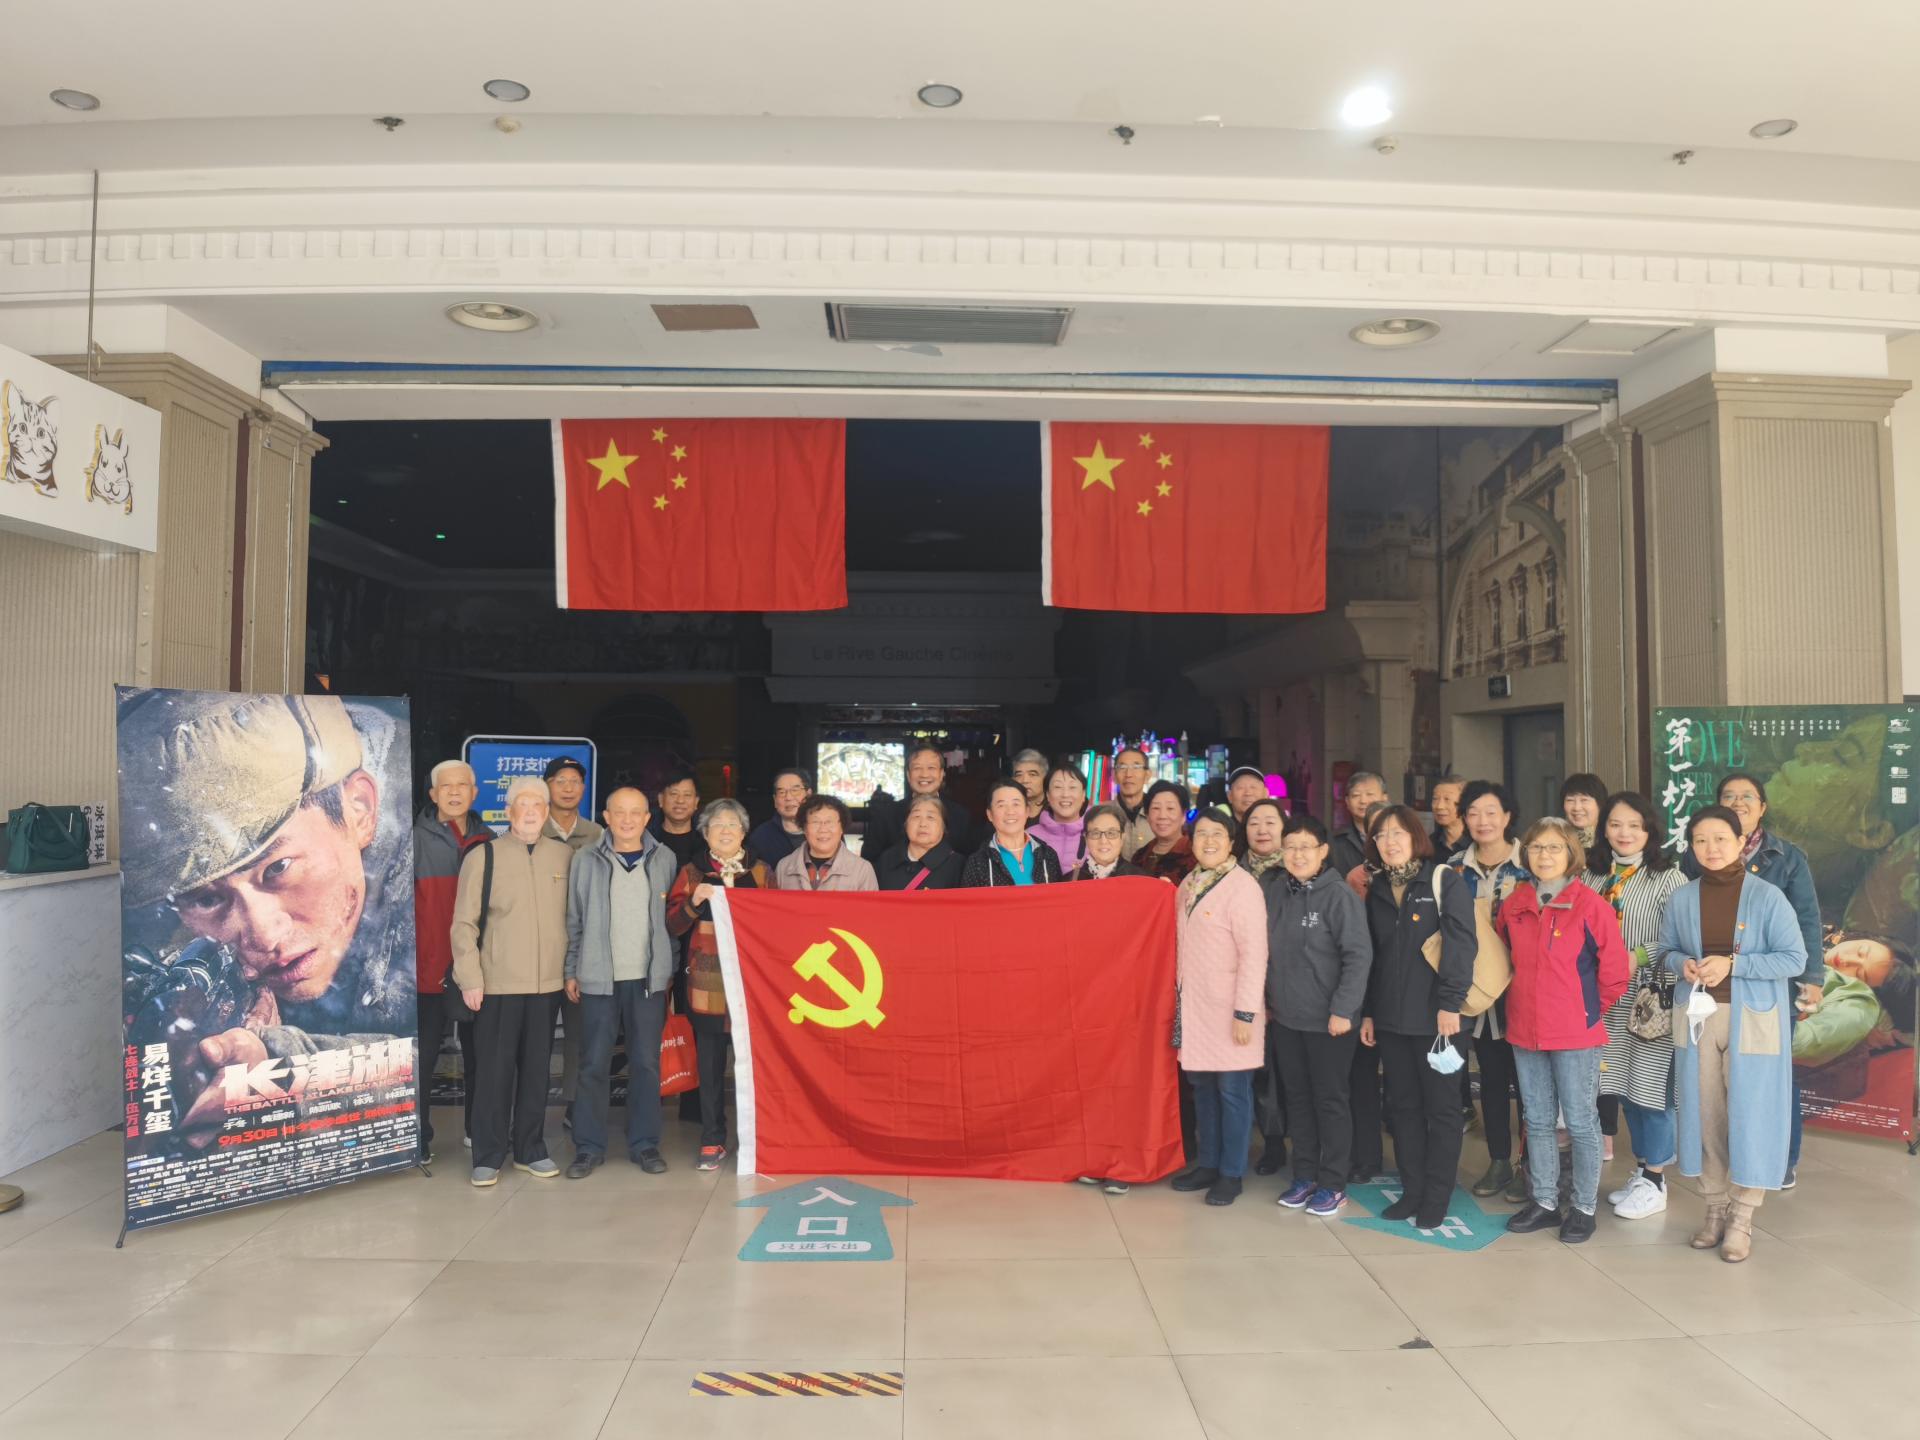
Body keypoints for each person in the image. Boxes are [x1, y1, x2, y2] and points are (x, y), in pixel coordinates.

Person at [116, 691, 418, 1149]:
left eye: (277, 869)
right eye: (208, 898)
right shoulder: (167, 908)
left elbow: (433, 1063)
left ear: (359, 810)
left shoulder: (422, 866)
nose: (263, 935)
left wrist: (280, 1063)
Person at [1662, 806, 1808, 1263]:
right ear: (1691, 845)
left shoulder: (1768, 897)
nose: (1711, 848)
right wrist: (1682, 964)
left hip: (1754, 1020)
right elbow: (1665, 951)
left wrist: (1734, 965)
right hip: (1697, 1018)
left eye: (1721, 838)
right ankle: (1714, 1209)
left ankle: (1741, 1218)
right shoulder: (1682, 897)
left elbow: (1794, 958)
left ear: (1741, 841)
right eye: (1701, 840)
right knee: (1706, 1116)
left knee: (1750, 1116)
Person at [1686, 771, 1824, 1188]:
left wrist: (1812, 976)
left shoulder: (1787, 857)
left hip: (1767, 987)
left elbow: (1807, 919)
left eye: (1748, 796)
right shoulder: (1695, 854)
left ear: (1762, 807)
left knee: (1772, 1079)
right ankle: (1728, 1165)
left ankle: (1781, 1160)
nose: (1738, 802)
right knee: (1714, 1087)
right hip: (1710, 995)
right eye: (1729, 795)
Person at [1496, 817, 1630, 1243]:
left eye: (1555, 847)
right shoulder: (1514, 904)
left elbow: (1615, 972)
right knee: (1536, 1119)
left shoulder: (1591, 905)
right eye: (1537, 847)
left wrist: (1587, 1011)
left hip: (1575, 1033)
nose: (1545, 855)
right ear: (1525, 854)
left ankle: (1584, 1208)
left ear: (1571, 854)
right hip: (1525, 1028)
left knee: (1581, 1121)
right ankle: (1545, 1202)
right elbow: (1503, 958)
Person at [450, 777, 573, 1187]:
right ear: (509, 811)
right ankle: (488, 1154)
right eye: (523, 804)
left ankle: (530, 1149)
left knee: (537, 1072)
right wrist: (470, 977)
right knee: (494, 1073)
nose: (531, 812)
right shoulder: (483, 856)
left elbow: (573, 919)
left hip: (547, 985)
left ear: (547, 811)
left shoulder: (564, 856)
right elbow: (463, 924)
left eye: (539, 804)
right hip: (497, 984)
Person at [1362, 805, 1477, 1229]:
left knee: (1442, 1110)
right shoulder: (1376, 888)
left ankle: (1437, 1196)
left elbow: (1461, 945)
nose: (1389, 842)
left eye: (1398, 833)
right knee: (1403, 1108)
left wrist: (1451, 1004)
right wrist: (1369, 1012)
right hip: (1392, 1021)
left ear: (1415, 837)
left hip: (1439, 1020)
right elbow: (1373, 957)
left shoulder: (1443, 881)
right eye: (1381, 835)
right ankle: (1412, 1191)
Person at [563, 786, 679, 1179]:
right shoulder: (586, 858)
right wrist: (572, 969)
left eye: (636, 813)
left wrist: (668, 970)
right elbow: (574, 919)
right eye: (619, 812)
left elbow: (672, 922)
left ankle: (645, 1144)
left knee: (646, 1063)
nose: (627, 820)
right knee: (593, 1063)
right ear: (606, 817)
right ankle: (588, 1147)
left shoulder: (665, 858)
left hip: (648, 979)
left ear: (647, 818)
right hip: (598, 978)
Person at [1589, 792, 1688, 1221]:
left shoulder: (1669, 877)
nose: (1624, 833)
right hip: (1604, 997)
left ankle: (1657, 1179)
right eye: (1615, 824)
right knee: (1622, 1085)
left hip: (1648, 999)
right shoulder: (1592, 875)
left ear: (1650, 831)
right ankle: (1644, 1171)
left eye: (1634, 825)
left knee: (1652, 1089)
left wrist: (1636, 956)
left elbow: (1680, 937)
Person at [1267, 814, 1373, 1216]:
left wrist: (1344, 1009)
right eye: (1290, 847)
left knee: (1330, 1101)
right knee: (1297, 1100)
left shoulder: (1338, 895)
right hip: (1286, 1018)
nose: (1297, 854)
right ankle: (1305, 1175)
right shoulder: (1278, 891)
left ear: (1323, 851)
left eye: (1305, 847)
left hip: (1330, 1022)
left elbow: (1358, 956)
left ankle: (1333, 1183)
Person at [1170, 807, 1269, 1206]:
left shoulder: (1243, 887)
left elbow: (1254, 955)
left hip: (1231, 1013)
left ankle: (1231, 1172)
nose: (1208, 841)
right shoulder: (1188, 884)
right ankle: (1208, 1164)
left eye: (1217, 834)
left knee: (1232, 1091)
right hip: (1195, 1010)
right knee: (1204, 1090)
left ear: (1231, 842)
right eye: (1201, 834)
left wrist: (1245, 1013)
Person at [666, 798, 772, 1171]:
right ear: (705, 833)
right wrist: (693, 903)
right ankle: (712, 1137)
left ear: (743, 832)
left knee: (755, 1066)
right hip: (707, 985)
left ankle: (756, 1138)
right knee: (710, 1066)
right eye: (717, 825)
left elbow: (778, 924)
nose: (725, 831)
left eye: (732, 824)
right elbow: (673, 925)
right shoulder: (692, 872)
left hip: (752, 985)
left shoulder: (761, 871)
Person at [1454, 779, 1533, 1204]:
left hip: (1526, 990)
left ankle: (1530, 1165)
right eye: (1473, 813)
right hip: (1480, 993)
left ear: (1507, 816)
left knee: (1531, 1084)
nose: (1482, 821)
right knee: (1493, 1078)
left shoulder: (1532, 864)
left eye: (1491, 812)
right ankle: (1499, 1160)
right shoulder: (1453, 869)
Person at [411, 759, 492, 1162]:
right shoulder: (412, 840)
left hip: (477, 968)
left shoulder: (490, 840)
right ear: (433, 795)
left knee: (481, 1054)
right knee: (424, 1057)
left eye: (463, 786)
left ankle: (478, 1129)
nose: (455, 792)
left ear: (475, 793)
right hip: (428, 966)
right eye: (446, 786)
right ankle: (419, 1137)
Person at [1241, 796, 1290, 1173]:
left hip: (1288, 986)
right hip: (1245, 988)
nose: (1262, 830)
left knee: (1290, 1072)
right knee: (1262, 1073)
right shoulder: (1232, 871)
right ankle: (1272, 1144)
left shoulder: (1296, 870)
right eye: (1254, 823)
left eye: (1270, 822)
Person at [864, 742, 975, 859]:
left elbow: (968, 860)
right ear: (908, 775)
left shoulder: (960, 815)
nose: (924, 774)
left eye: (931, 768)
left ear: (941, 774)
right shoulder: (886, 816)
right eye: (917, 768)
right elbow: (870, 861)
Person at [962, 778, 1067, 886]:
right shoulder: (977, 863)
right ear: (990, 815)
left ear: (1027, 811)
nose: (1010, 811)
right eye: (1001, 805)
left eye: (1016, 804)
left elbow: (1060, 896)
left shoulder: (1047, 855)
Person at [774, 795, 879, 891]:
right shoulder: (784, 867)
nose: (823, 829)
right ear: (804, 828)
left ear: (842, 828)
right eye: (815, 822)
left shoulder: (862, 869)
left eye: (829, 822)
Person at [876, 793, 968, 890]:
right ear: (906, 824)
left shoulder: (957, 865)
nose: (923, 824)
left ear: (943, 826)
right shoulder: (887, 860)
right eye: (916, 816)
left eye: (930, 817)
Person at [1029, 759, 1091, 866]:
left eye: (1072, 787)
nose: (1065, 794)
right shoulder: (1029, 837)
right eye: (1058, 787)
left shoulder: (1098, 835)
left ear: (1083, 795)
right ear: (1047, 795)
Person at [747, 767, 812, 866]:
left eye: (795, 790)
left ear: (809, 795)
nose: (788, 797)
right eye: (782, 792)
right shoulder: (760, 837)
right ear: (775, 800)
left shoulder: (824, 831)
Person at [1135, 780, 1197, 883]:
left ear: (1183, 815)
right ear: (1147, 815)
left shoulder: (1196, 854)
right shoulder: (1139, 857)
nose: (1162, 816)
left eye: (1170, 808)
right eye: (1156, 808)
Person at [1069, 803, 1148, 881]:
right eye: (1095, 833)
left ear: (1122, 838)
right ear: (1086, 838)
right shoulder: (1069, 881)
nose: (1103, 841)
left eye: (1111, 833)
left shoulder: (1142, 880)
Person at [1329, 770, 1388, 875]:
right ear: (1347, 801)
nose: (1363, 801)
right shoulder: (1335, 841)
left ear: (1385, 798)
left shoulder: (1399, 836)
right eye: (1356, 795)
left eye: (1370, 794)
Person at [542, 756, 603, 851]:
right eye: (561, 781)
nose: (568, 789)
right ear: (545, 786)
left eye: (575, 781)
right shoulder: (534, 831)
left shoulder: (596, 833)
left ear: (583, 788)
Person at [648, 768, 703, 869]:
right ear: (661, 799)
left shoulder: (707, 842)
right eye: (674, 794)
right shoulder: (645, 839)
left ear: (696, 802)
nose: (680, 800)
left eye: (687, 795)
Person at [1112, 746, 1156, 859]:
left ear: (1147, 775)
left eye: (1136, 767)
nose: (1128, 774)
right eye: (1122, 767)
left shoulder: (1158, 815)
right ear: (1114, 775)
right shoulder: (1102, 814)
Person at [1559, 774, 1609, 854]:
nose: (1577, 808)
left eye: (1584, 800)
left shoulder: (1612, 840)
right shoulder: (1557, 839)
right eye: (1570, 800)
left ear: (1600, 804)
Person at [1429, 777, 1469, 862]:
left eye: (1447, 799)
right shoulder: (1428, 844)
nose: (1439, 806)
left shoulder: (1479, 843)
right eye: (1435, 799)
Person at [1010, 748, 1049, 824]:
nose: (1025, 780)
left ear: (1045, 778)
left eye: (1032, 774)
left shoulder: (1055, 811)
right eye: (1019, 775)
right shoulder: (1007, 811)